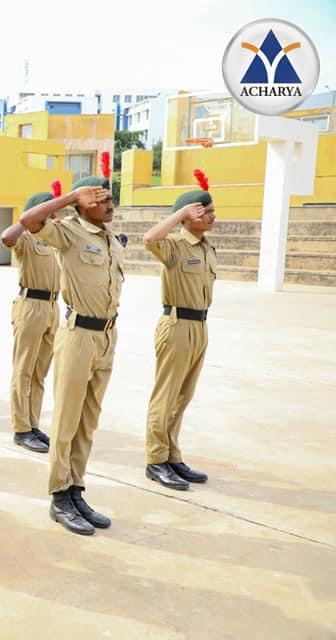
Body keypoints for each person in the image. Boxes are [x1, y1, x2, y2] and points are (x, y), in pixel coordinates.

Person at [18, 151, 120, 536]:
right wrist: (71, 198)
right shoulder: (70, 232)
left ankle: (76, 488)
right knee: (66, 421)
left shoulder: (110, 239)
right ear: (82, 205)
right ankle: (59, 496)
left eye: (110, 198)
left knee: (88, 422)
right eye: (101, 199)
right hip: (77, 335)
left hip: (106, 336)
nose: (110, 204)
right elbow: (29, 221)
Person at [143, 169, 217, 490]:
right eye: (206, 211)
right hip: (175, 326)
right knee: (166, 395)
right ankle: (156, 460)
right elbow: (149, 239)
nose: (213, 216)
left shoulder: (206, 248)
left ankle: (172, 455)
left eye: (212, 210)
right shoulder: (174, 244)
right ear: (189, 216)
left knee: (182, 397)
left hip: (199, 326)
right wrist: (179, 214)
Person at [0, 183, 62, 454]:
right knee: (23, 370)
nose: (55, 216)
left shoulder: (55, 238)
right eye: (50, 211)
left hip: (52, 307)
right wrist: (28, 220)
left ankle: (33, 423)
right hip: (31, 305)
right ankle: (21, 428)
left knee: (39, 372)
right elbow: (6, 238)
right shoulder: (26, 237)